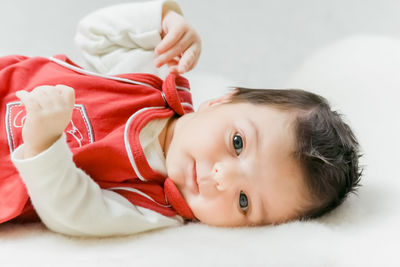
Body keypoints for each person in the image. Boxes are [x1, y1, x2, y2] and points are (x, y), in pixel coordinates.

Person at [0, 0, 361, 236]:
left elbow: (75, 214)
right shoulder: (154, 76)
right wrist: (165, 20)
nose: (221, 178)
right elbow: (93, 35)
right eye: (237, 144)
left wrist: (44, 144)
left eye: (243, 201)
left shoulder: (153, 206)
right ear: (221, 101)